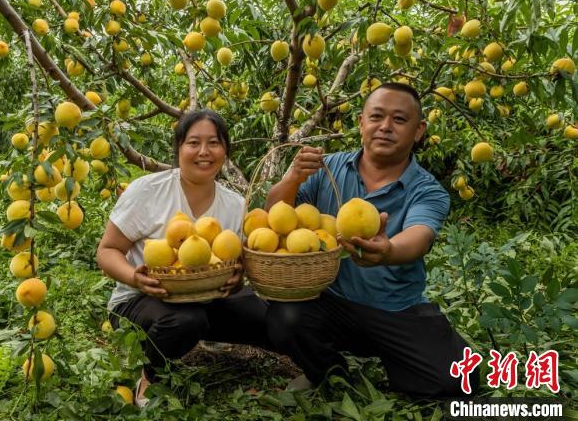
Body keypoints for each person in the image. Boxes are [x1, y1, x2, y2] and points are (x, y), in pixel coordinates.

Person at [265, 83, 479, 397]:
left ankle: (398, 362)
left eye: (399, 120)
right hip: (330, 302)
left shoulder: (427, 190)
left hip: (395, 309)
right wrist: (292, 178)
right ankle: (328, 370)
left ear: (419, 130)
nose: (385, 127)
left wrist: (389, 250)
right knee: (284, 318)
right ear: (362, 122)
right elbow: (275, 214)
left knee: (460, 381)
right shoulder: (327, 168)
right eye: (376, 116)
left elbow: (419, 237)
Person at [96, 109, 269, 407]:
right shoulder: (148, 190)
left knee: (270, 316)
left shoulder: (235, 205)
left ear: (225, 150)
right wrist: (134, 277)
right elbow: (107, 251)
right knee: (185, 320)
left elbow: (235, 263)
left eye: (214, 143)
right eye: (193, 143)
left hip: (207, 296)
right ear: (178, 148)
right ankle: (150, 377)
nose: (204, 152)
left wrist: (236, 278)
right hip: (141, 299)